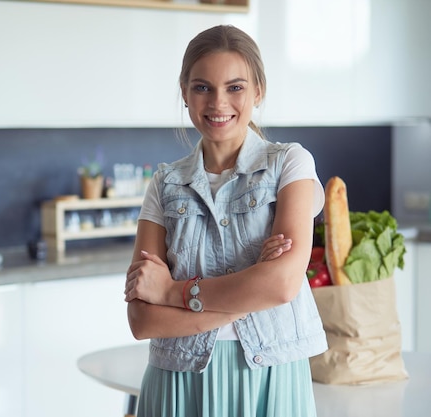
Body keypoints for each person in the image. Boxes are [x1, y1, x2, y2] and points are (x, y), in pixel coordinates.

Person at [123, 25, 327, 417]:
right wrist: (253, 293)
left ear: (258, 91)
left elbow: (282, 284)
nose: (218, 103)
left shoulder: (291, 164)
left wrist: (172, 293)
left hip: (270, 373)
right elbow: (142, 319)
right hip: (176, 379)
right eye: (202, 87)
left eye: (235, 87)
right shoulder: (165, 184)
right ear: (184, 93)